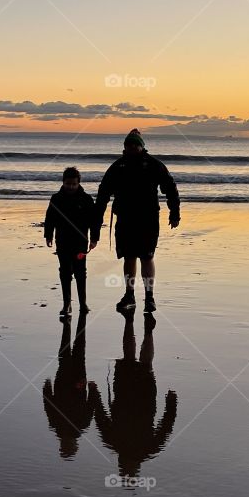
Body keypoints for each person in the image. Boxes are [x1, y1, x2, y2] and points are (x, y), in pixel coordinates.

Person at [95, 128, 179, 315]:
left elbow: (170, 188)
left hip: (148, 217)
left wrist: (175, 212)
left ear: (141, 146)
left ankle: (149, 297)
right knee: (129, 256)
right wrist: (97, 219)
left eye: (135, 144)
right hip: (125, 218)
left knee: (147, 256)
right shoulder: (118, 166)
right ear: (125, 146)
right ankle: (129, 294)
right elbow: (103, 193)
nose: (132, 147)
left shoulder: (154, 165)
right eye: (128, 144)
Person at [90, 315, 177, 480]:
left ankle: (147, 332)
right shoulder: (116, 444)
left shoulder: (147, 449)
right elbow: (100, 417)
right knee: (129, 358)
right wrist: (94, 392)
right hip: (125, 395)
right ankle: (129, 321)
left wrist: (171, 404)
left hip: (144, 400)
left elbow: (166, 426)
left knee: (145, 365)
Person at [44, 165, 99, 319]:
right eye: (68, 184)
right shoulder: (56, 198)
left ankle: (83, 303)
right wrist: (48, 235)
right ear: (63, 182)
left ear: (79, 183)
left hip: (81, 242)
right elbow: (50, 218)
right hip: (62, 241)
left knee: (81, 272)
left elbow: (94, 221)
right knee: (65, 271)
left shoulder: (86, 199)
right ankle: (66, 303)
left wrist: (94, 238)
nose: (71, 187)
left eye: (74, 184)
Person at [42, 313, 93, 460]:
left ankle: (74, 323)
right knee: (67, 353)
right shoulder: (58, 424)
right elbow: (48, 402)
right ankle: (69, 324)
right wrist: (47, 387)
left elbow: (90, 405)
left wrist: (92, 389)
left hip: (75, 383)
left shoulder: (79, 425)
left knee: (78, 351)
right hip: (66, 382)